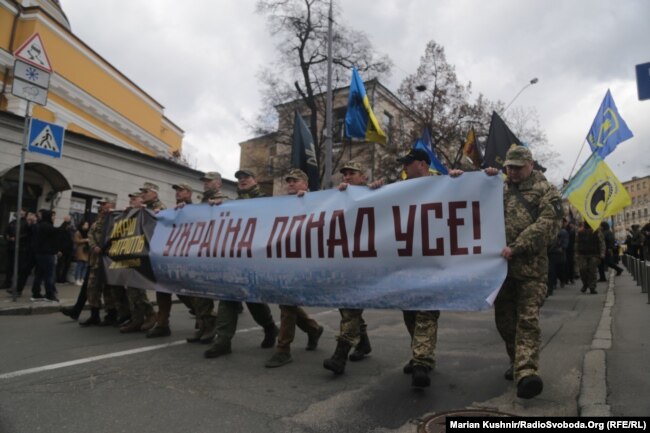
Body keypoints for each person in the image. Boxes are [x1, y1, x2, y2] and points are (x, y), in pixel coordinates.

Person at [484, 145, 563, 399]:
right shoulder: (499, 187)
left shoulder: (547, 191)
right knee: (505, 322)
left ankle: (527, 372)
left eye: (517, 167)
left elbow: (547, 226)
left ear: (531, 165)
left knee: (527, 320)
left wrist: (516, 247)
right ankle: (517, 360)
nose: (512, 171)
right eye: (509, 167)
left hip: (531, 270)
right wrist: (467, 179)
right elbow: (468, 203)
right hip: (501, 271)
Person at [390, 149, 463, 388]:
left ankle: (421, 362)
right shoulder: (399, 189)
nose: (404, 168)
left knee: (426, 313)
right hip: (407, 265)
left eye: (408, 164)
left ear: (422, 164)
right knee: (410, 313)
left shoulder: (443, 184)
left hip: (432, 264)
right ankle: (420, 353)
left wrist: (461, 179)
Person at [204, 169, 279, 358]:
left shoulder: (265, 200)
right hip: (235, 258)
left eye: (246, 178)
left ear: (255, 181)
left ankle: (270, 327)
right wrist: (218, 208)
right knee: (228, 297)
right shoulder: (233, 204)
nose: (242, 181)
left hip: (256, 257)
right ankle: (223, 341)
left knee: (253, 301)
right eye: (239, 179)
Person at [323, 161, 379, 375]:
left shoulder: (373, 193)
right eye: (344, 174)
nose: (346, 177)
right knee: (346, 308)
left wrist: (377, 188)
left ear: (363, 177)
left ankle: (340, 356)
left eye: (352, 173)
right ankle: (363, 344)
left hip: (364, 263)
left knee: (351, 308)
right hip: (344, 262)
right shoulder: (338, 196)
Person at [265, 169, 324, 368]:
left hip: (304, 260)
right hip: (284, 259)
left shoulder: (315, 200)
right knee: (286, 303)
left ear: (306, 185)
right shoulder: (280, 204)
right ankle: (312, 328)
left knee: (287, 303)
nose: (290, 184)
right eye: (288, 181)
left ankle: (283, 349)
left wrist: (308, 201)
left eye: (295, 181)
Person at [118, 191, 157, 333]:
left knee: (138, 287)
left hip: (143, 253)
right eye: (131, 200)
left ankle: (150, 313)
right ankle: (137, 318)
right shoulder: (131, 214)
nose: (131, 202)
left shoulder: (147, 211)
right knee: (131, 288)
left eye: (134, 199)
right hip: (130, 252)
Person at [79, 198, 117, 326]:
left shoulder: (116, 218)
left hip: (108, 259)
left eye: (104, 204)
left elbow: (116, 236)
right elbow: (90, 235)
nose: (102, 206)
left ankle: (111, 315)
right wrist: (94, 246)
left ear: (112, 205)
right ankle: (94, 315)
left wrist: (104, 247)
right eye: (100, 204)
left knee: (108, 289)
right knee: (92, 288)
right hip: (96, 260)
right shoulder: (98, 219)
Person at [30, 209, 60, 302]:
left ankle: (36, 293)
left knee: (39, 275)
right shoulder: (48, 227)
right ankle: (49, 294)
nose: (54, 218)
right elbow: (57, 234)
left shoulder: (39, 225)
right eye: (52, 216)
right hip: (47, 254)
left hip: (40, 254)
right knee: (49, 275)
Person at [576, 223, 605, 294]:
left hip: (594, 254)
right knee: (583, 270)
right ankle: (585, 284)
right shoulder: (580, 232)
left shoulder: (597, 232)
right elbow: (576, 243)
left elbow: (602, 243)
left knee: (592, 270)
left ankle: (592, 287)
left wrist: (602, 252)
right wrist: (576, 253)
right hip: (582, 254)